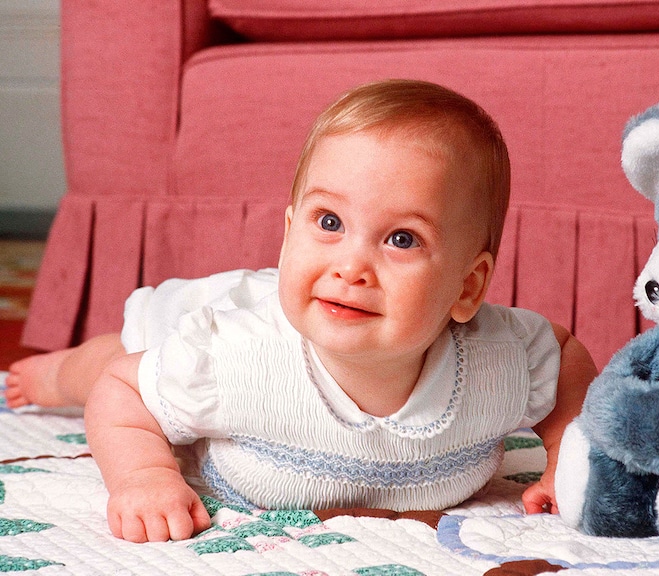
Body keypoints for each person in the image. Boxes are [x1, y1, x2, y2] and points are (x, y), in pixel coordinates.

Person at [5, 79, 597, 544]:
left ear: (468, 289)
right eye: (330, 224)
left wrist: (563, 455)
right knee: (113, 362)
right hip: (224, 312)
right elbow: (122, 392)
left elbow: (565, 353)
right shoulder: (230, 356)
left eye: (401, 240)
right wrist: (144, 477)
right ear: (290, 234)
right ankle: (53, 370)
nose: (351, 266)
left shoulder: (498, 359)